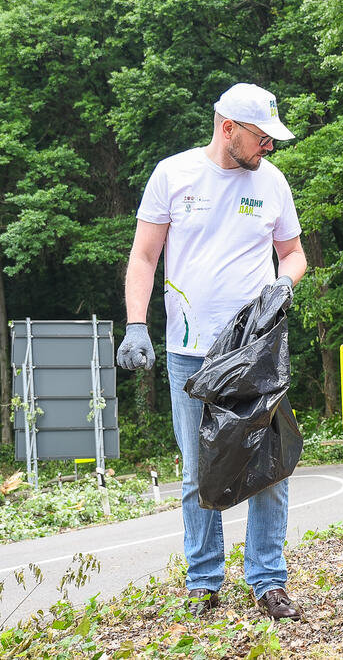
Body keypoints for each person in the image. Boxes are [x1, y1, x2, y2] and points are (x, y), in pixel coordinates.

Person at [115, 83, 307, 620]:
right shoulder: (173, 175)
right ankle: (203, 582)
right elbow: (144, 256)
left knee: (268, 464)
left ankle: (268, 580)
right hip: (190, 353)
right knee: (198, 469)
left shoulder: (272, 183)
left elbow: (293, 255)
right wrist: (136, 325)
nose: (268, 147)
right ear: (229, 129)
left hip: (256, 350)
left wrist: (282, 285)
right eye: (262, 138)